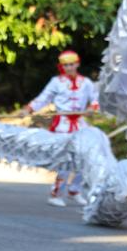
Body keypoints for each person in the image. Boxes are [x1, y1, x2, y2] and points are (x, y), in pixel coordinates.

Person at [24, 50, 99, 207]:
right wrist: (28, 109)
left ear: (77, 64)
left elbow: (95, 98)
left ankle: (75, 190)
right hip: (62, 124)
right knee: (65, 161)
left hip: (79, 123)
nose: (69, 68)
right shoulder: (56, 82)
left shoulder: (86, 82)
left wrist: (93, 107)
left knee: (85, 157)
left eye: (71, 64)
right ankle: (56, 193)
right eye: (65, 65)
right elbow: (43, 98)